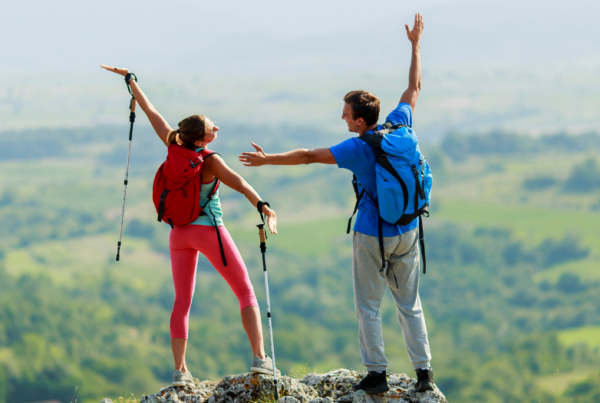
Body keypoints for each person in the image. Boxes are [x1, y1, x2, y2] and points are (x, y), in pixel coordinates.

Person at [238, 13, 434, 393]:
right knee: (410, 305)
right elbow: (415, 87)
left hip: (372, 233)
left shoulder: (359, 147)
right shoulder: (400, 125)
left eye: (346, 114)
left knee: (369, 306)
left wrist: (267, 159)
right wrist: (416, 45)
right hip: (410, 229)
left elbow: (308, 155)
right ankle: (424, 374)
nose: (341, 118)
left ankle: (377, 374)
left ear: (361, 121)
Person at [100, 65, 280, 388]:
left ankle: (180, 371)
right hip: (209, 230)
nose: (217, 129)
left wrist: (131, 82)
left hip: (178, 234)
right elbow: (238, 183)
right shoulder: (209, 161)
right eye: (213, 129)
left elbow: (151, 111)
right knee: (244, 290)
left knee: (182, 301)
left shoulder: (173, 142)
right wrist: (263, 205)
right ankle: (260, 359)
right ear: (202, 139)